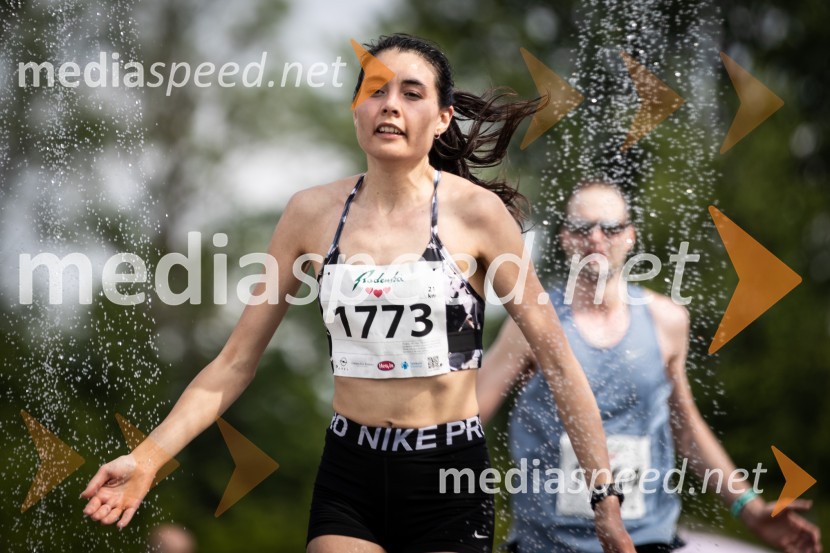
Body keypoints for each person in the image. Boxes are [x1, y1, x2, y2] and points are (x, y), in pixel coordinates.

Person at [81, 34, 636, 553]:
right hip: (351, 472)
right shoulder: (309, 213)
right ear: (356, 109)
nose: (390, 105)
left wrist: (604, 498)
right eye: (375, 91)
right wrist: (148, 458)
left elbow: (558, 362)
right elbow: (234, 363)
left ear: (443, 118)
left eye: (411, 93)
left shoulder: (478, 215)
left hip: (449, 475)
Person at [476, 180, 822, 553]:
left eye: (611, 228)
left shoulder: (666, 321)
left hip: (645, 539)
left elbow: (685, 428)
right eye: (582, 227)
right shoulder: (532, 323)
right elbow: (469, 414)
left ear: (630, 236)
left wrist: (749, 508)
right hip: (548, 543)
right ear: (565, 238)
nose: (596, 238)